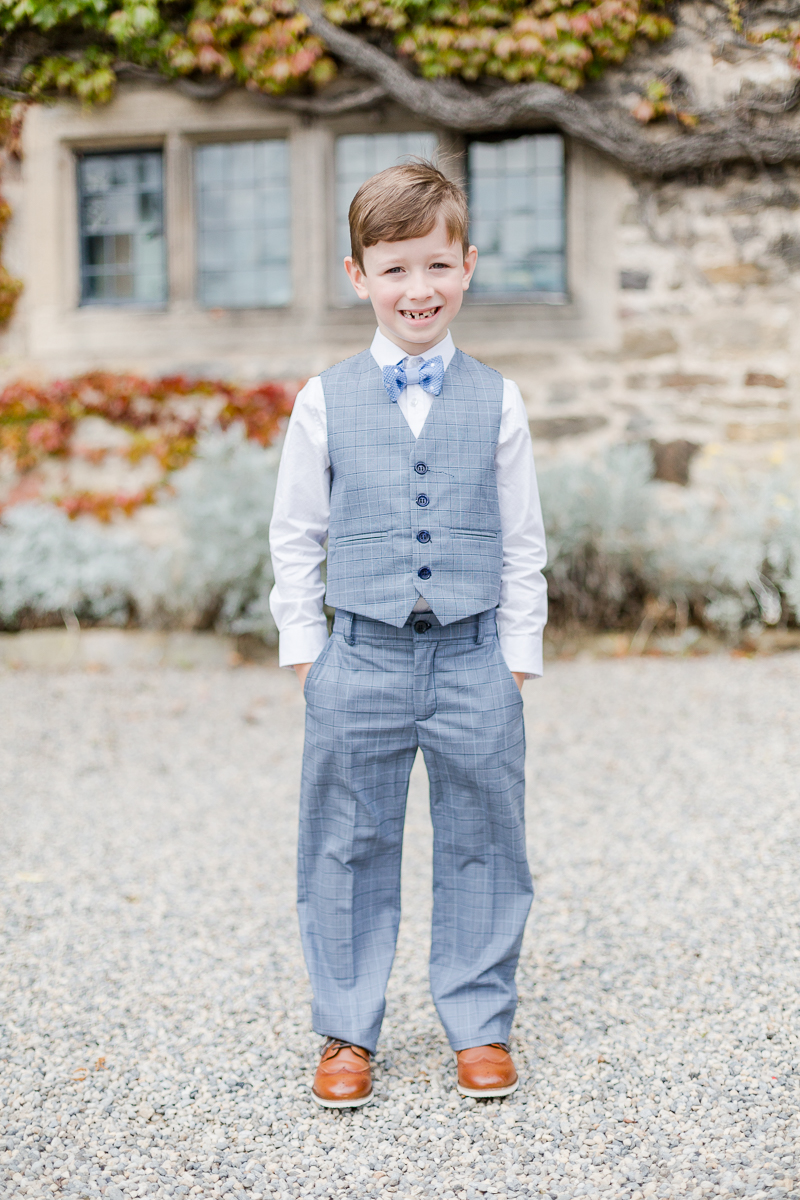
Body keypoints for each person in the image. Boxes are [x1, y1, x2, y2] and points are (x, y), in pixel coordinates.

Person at [268, 161, 548, 1108]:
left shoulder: (498, 400)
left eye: (436, 266)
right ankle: (347, 1029)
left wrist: (517, 661)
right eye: (394, 270)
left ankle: (479, 1023)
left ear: (467, 266)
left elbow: (522, 542)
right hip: (362, 657)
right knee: (347, 839)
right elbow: (296, 535)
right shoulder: (325, 399)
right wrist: (308, 655)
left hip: (474, 658)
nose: (417, 290)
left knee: (483, 839)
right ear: (358, 277)